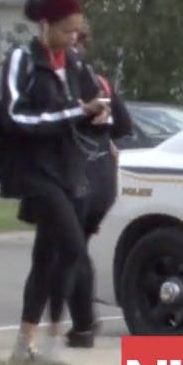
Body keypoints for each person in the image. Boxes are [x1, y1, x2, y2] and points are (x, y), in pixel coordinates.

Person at [0, 0, 110, 361]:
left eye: (77, 31)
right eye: (66, 30)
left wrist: (99, 114)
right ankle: (54, 336)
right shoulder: (22, 60)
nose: (73, 38)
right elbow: (14, 116)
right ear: (45, 26)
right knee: (73, 246)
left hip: (69, 168)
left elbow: (91, 102)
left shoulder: (74, 62)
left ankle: (27, 341)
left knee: (47, 255)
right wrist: (74, 114)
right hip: (34, 170)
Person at [64, 26, 133, 348]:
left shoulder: (63, 82)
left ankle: (82, 326)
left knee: (70, 250)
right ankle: (81, 322)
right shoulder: (103, 83)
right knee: (76, 247)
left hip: (78, 175)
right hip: (104, 176)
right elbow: (123, 126)